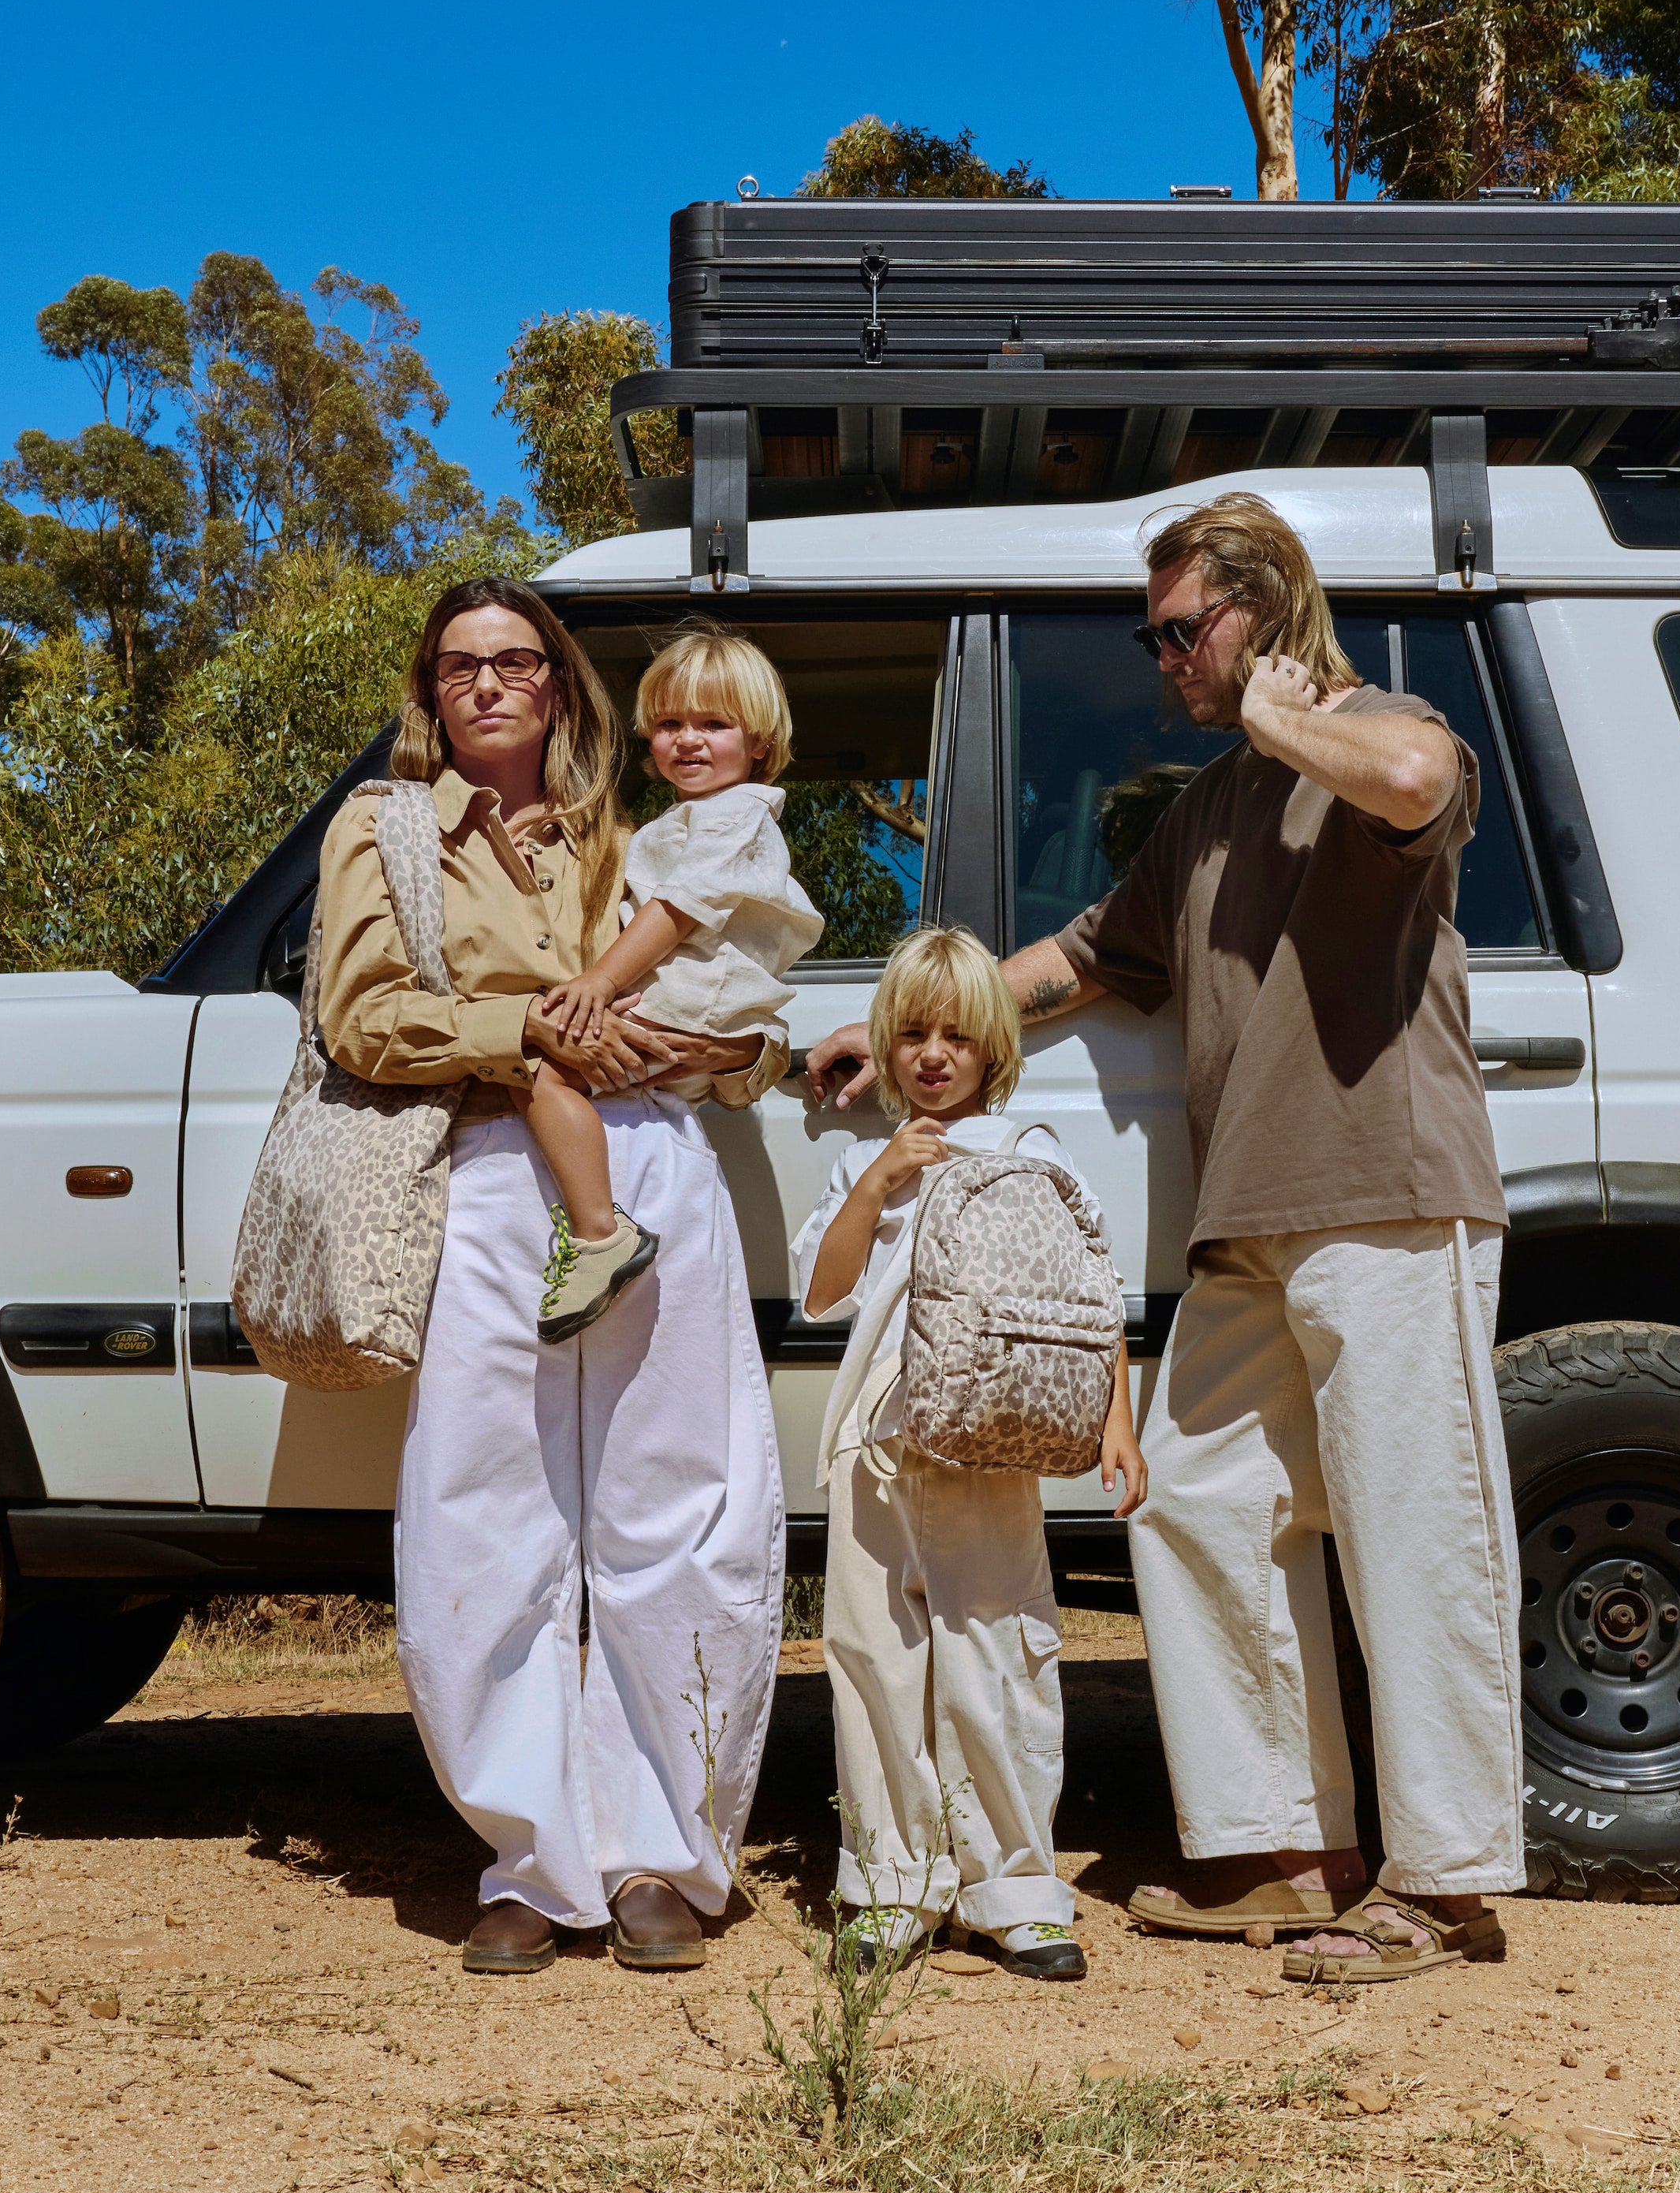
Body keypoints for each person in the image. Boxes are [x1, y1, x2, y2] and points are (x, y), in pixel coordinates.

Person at [805, 494, 1520, 1986]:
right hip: (1245, 1213)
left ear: (1264, 608)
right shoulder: (1205, 813)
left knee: (1415, 1526)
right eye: (1156, 638)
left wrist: (1278, 716)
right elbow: (1082, 957)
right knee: (1194, 1499)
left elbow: (1412, 780)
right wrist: (917, 1024)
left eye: (1182, 631)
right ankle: (1286, 1848)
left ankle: (1445, 1880)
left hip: (1388, 1193)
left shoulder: (1370, 731)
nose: (1164, 660)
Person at [315, 576, 784, 1978]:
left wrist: (723, 1052)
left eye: (517, 660)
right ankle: (529, 1857)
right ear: (431, 689)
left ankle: (659, 1854)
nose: (490, 683)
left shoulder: (631, 831)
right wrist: (533, 1031)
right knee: (485, 1513)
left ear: (557, 684)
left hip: (659, 1163)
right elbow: (361, 1015)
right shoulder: (384, 827)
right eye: (461, 664)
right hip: (490, 1173)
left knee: (677, 1507)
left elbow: (737, 980)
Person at [788, 929, 1140, 1985]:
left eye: (956, 1034)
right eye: (911, 1034)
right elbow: (821, 1292)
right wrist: (876, 1180)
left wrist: (1117, 1419)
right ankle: (892, 1886)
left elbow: (1093, 1293)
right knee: (876, 1661)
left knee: (999, 1656)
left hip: (990, 1440)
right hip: (878, 1440)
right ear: (886, 1045)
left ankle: (1014, 1891)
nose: (933, 1054)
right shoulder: (866, 1161)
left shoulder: (1033, 1149)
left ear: (993, 1043)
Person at [520, 628, 825, 1344]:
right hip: (693, 1006)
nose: (687, 739)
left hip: (693, 1000)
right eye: (669, 724)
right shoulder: (694, 817)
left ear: (760, 741)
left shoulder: (738, 815)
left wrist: (600, 979)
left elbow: (678, 909)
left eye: (713, 723)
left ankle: (600, 1235)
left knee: (539, 1069)